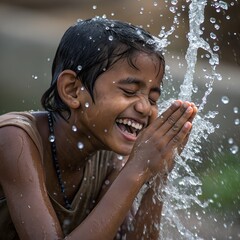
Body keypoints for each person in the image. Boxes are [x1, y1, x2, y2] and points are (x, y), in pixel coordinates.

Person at [0, 17, 197, 240]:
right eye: (130, 91)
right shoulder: (14, 139)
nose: (145, 108)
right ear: (73, 90)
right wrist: (137, 169)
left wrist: (158, 173)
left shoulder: (109, 161)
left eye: (152, 99)